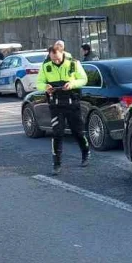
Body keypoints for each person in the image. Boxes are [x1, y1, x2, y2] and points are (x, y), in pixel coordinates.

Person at [36, 44, 90, 174]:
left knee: (78, 132)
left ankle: (85, 154)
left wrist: (72, 84)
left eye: (58, 59)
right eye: (53, 59)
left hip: (72, 104)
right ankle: (57, 164)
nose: (55, 61)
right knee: (57, 133)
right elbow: (39, 83)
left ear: (62, 53)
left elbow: (84, 79)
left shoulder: (74, 64)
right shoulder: (46, 66)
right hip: (56, 105)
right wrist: (45, 87)